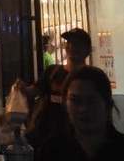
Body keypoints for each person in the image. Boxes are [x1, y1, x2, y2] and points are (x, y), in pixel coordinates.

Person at [43, 65, 124, 161]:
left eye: (91, 101)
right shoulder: (51, 151)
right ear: (65, 104)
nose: (83, 109)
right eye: (75, 100)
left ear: (107, 105)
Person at [16, 28, 92, 158]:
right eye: (70, 42)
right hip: (43, 141)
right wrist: (22, 88)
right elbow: (31, 93)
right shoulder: (53, 72)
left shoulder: (91, 78)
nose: (72, 47)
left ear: (87, 50)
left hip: (75, 146)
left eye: (77, 43)